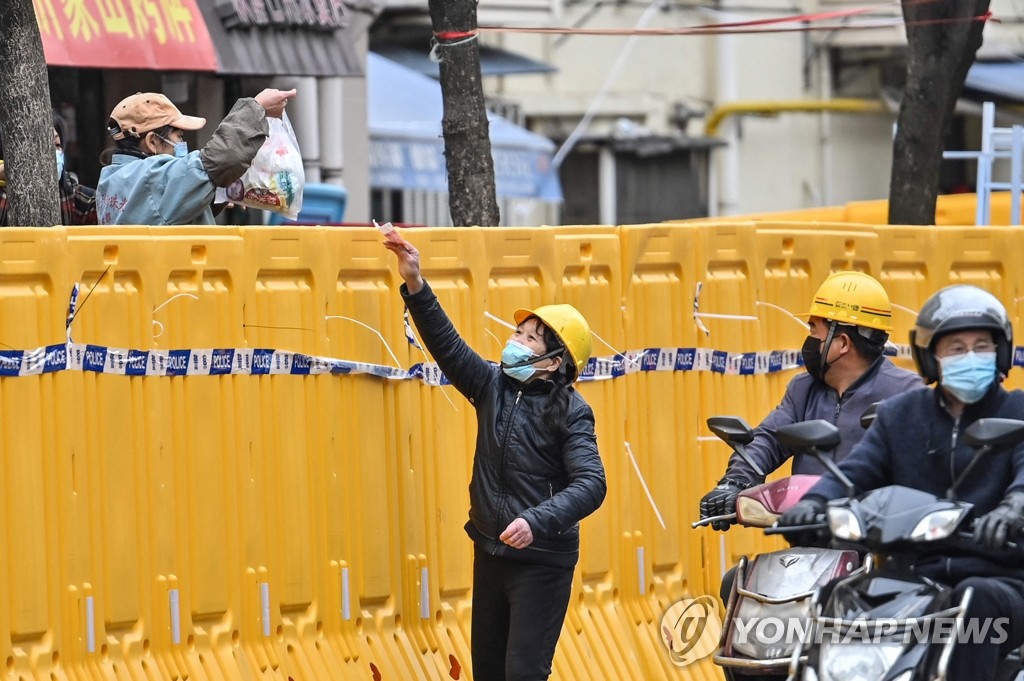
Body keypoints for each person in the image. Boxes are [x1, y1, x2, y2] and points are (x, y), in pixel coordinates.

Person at [384, 234, 607, 681]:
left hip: (542, 563)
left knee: (522, 672)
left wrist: (535, 521)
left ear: (555, 362)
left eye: (531, 339)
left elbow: (591, 484)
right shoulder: (492, 387)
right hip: (491, 552)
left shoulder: (572, 412)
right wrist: (415, 283)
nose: (516, 342)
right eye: (518, 333)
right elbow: (447, 346)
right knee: (487, 672)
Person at [778, 284, 1024, 681]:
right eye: (956, 348)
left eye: (982, 346)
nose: (970, 357)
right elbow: (856, 471)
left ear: (1001, 351)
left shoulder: (1017, 412)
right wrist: (814, 503)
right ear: (931, 355)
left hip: (1003, 580)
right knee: (835, 594)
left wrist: (1013, 510)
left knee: (976, 599)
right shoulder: (900, 415)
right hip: (912, 575)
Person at [699, 271, 922, 530]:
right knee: (739, 573)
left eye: (814, 329)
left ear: (843, 343)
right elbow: (769, 438)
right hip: (809, 536)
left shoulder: (905, 392)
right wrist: (734, 483)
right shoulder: (802, 389)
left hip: (876, 544)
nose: (809, 339)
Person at [95, 88, 296, 225]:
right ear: (152, 142)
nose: (183, 145)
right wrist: (257, 107)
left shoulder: (111, 178)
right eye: (179, 137)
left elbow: (158, 215)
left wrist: (212, 198)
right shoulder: (152, 176)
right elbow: (222, 158)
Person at [0, 111, 98, 226]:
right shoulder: (4, 197)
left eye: (57, 145)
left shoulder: (78, 198)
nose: (50, 154)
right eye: (40, 146)